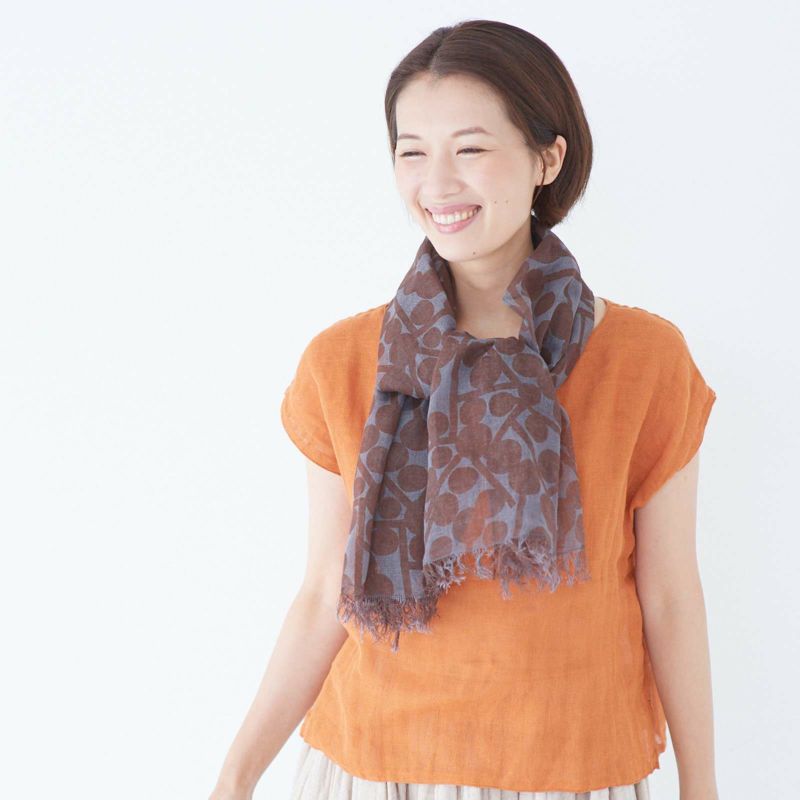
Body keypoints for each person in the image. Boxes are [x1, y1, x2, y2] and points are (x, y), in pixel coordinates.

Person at [210, 19, 720, 800]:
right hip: (374, 767)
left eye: (470, 149)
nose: (437, 183)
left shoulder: (644, 361)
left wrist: (702, 785)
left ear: (548, 158)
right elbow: (321, 598)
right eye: (412, 152)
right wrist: (236, 775)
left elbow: (671, 597)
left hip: (574, 769)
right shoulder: (342, 364)